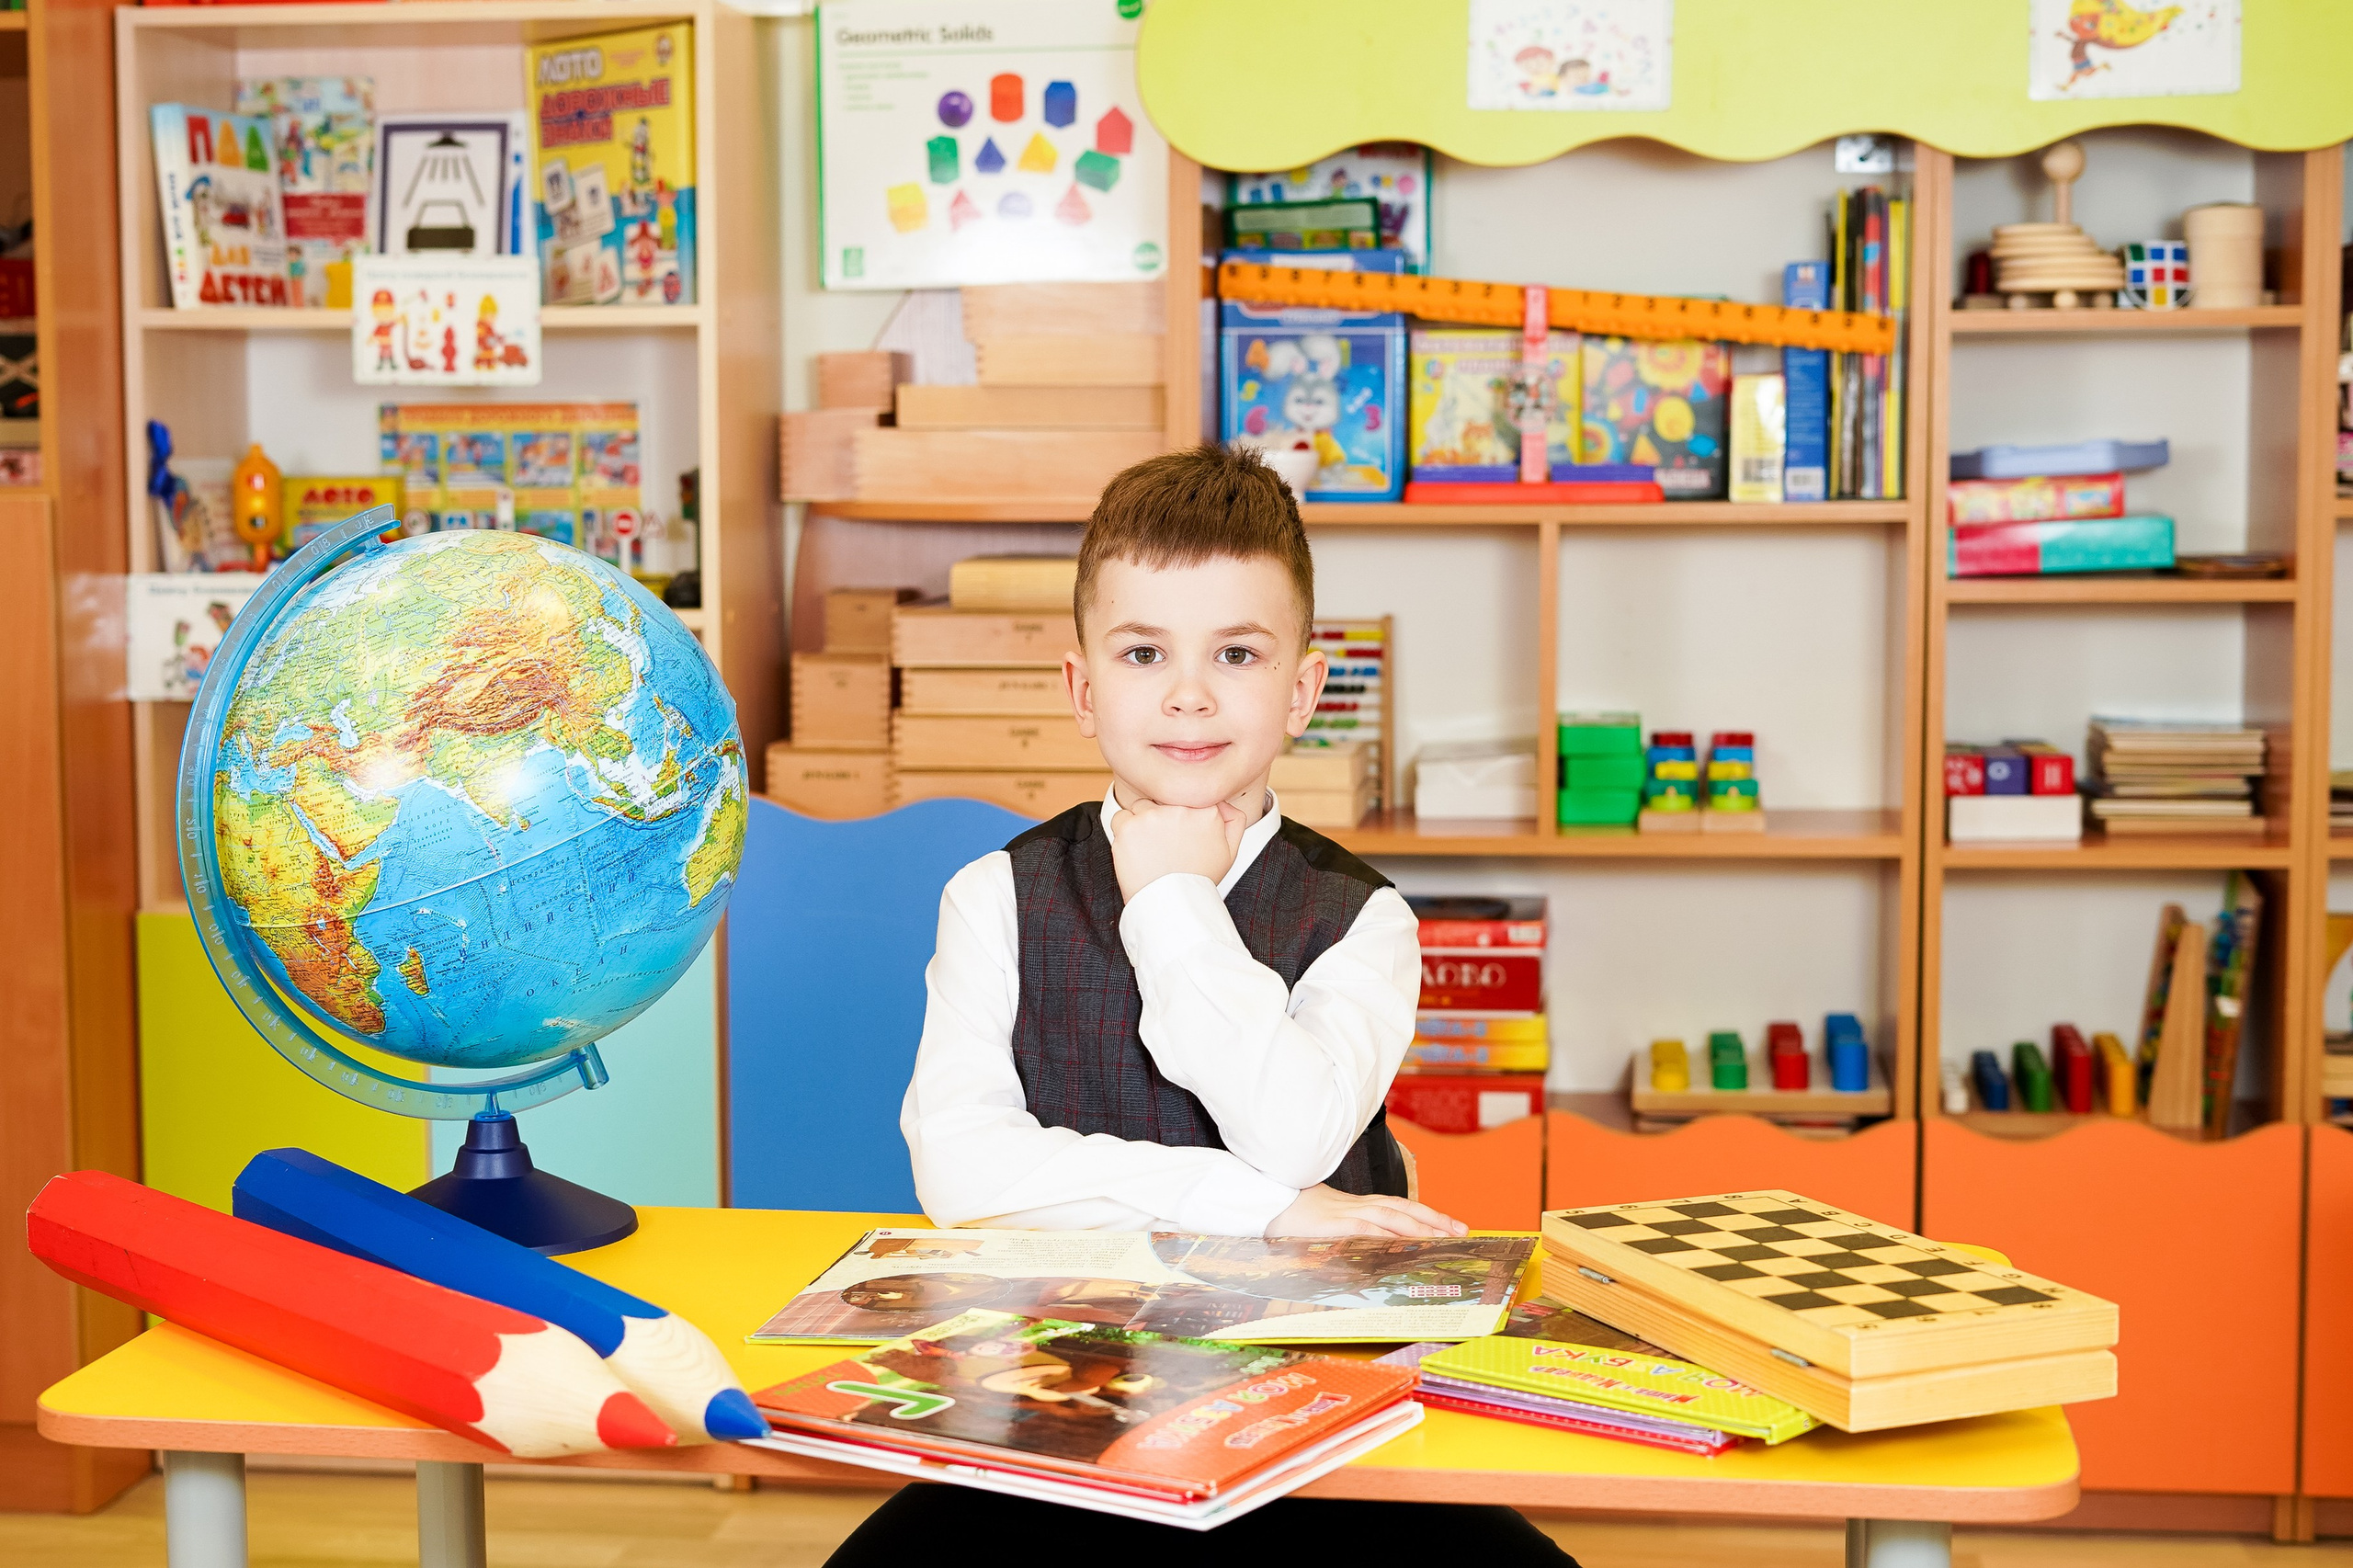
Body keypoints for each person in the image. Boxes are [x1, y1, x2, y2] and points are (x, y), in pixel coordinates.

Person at [827, 445, 1577, 1566]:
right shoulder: (994, 896)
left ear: (1302, 690)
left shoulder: (1362, 917)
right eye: (1144, 652)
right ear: (1084, 688)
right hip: (1065, 1397)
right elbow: (963, 1170)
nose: (1188, 693)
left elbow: (1296, 1133)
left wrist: (1173, 899)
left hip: (1315, 1410)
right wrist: (1262, 1209)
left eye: (1236, 652)